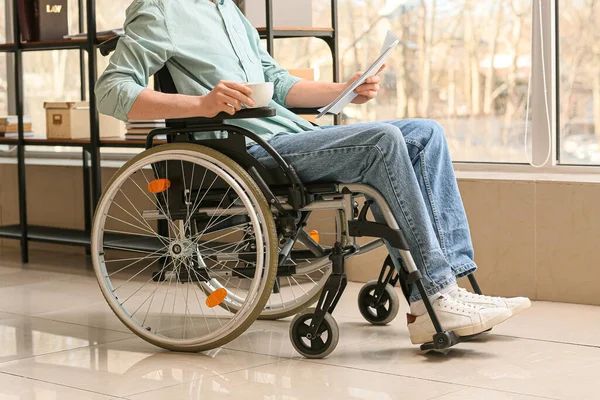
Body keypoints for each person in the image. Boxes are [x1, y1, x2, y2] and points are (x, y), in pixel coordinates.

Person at [96, 0, 530, 344]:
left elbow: (278, 83)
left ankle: (449, 286)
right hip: (246, 151)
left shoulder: (229, 11)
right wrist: (202, 104)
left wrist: (346, 90)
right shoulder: (160, 8)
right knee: (384, 142)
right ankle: (432, 296)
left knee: (425, 133)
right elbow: (112, 91)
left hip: (289, 133)